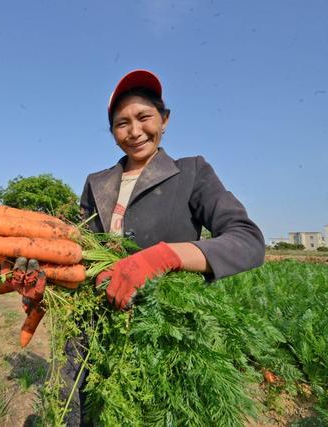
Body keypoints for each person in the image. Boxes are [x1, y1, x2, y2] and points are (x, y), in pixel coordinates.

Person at [62, 69, 266, 425]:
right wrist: (50, 281)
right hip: (96, 330)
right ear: (112, 133)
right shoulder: (97, 184)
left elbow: (247, 240)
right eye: (122, 123)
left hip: (163, 333)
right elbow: (83, 256)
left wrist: (167, 255)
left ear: (165, 120)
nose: (135, 131)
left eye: (144, 117)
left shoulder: (191, 174)